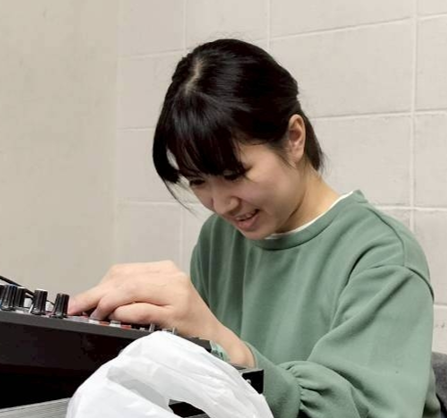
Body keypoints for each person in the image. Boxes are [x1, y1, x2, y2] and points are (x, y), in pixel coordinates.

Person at [68, 39, 441, 417]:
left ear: (294, 138)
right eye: (198, 181)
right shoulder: (219, 238)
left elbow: (366, 410)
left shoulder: (382, 255)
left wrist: (221, 343)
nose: (221, 204)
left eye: (234, 174)